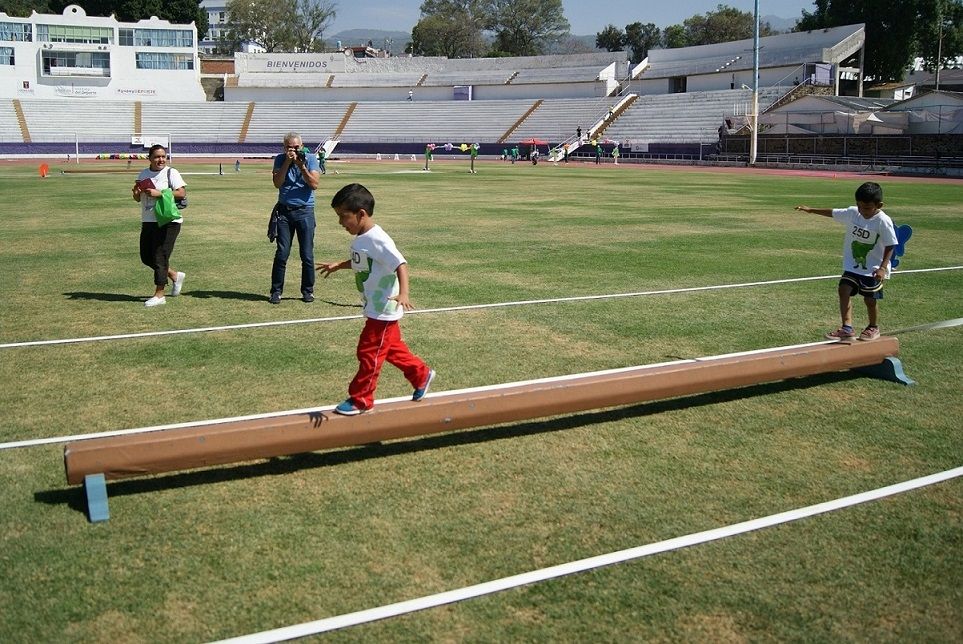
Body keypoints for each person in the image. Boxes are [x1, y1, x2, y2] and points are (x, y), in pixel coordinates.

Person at [316, 183, 435, 415]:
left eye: (343, 217)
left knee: (368, 351)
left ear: (361, 214)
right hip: (374, 306)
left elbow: (400, 263)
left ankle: (362, 399)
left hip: (384, 308)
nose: (341, 222)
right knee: (391, 349)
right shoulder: (362, 237)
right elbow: (364, 261)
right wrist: (339, 265)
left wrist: (404, 294)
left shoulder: (378, 239)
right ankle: (421, 374)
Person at [795, 182, 898, 341]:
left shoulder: (883, 221)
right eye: (860, 206)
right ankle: (847, 328)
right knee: (844, 289)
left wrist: (883, 268)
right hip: (853, 265)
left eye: (868, 208)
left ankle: (873, 327)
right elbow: (833, 212)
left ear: (879, 205)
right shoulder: (853, 213)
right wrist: (811, 210)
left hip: (873, 268)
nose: (863, 211)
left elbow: (891, 245)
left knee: (870, 299)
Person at [132, 144, 186, 307]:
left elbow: (181, 192)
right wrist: (136, 193)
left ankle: (159, 294)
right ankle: (174, 275)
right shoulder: (143, 174)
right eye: (156, 156)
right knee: (146, 257)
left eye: (163, 156)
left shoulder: (172, 172)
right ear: (149, 158)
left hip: (168, 221)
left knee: (160, 256)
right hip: (148, 221)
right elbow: (138, 199)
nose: (160, 159)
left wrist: (160, 193)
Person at [270, 131, 321, 304]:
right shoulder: (279, 159)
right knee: (282, 253)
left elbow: (314, 184)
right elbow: (277, 183)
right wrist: (287, 162)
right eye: (289, 147)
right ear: (284, 147)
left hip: (305, 210)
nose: (292, 150)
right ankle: (276, 291)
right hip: (284, 211)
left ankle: (308, 290)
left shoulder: (311, 158)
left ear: (302, 145)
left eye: (296, 147)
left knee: (306, 254)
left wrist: (301, 166)